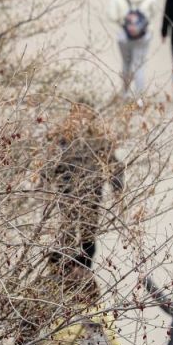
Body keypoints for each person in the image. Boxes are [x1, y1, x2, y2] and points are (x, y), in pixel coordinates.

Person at [45, 102, 124, 270]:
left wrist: (117, 188)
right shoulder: (63, 139)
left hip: (91, 194)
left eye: (86, 115)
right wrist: (47, 181)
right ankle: (64, 268)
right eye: (77, 114)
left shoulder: (99, 140)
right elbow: (49, 164)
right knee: (68, 231)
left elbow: (114, 166)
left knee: (88, 234)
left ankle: (83, 269)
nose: (81, 119)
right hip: (67, 194)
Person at [106, 0, 157, 100]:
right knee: (139, 65)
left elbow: (112, 15)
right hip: (143, 35)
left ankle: (125, 93)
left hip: (124, 35)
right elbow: (153, 12)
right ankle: (139, 98)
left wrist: (123, 21)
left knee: (126, 63)